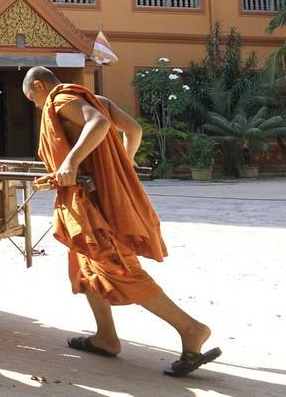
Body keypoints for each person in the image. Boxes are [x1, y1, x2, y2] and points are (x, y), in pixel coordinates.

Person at [23, 66, 221, 377]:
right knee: (86, 270)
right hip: (87, 198)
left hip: (96, 204)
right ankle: (106, 337)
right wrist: (122, 163)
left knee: (120, 269)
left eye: (33, 98)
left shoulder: (61, 99)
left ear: (39, 85)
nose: (36, 106)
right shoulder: (98, 99)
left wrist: (71, 162)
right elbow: (134, 131)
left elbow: (97, 124)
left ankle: (190, 329)